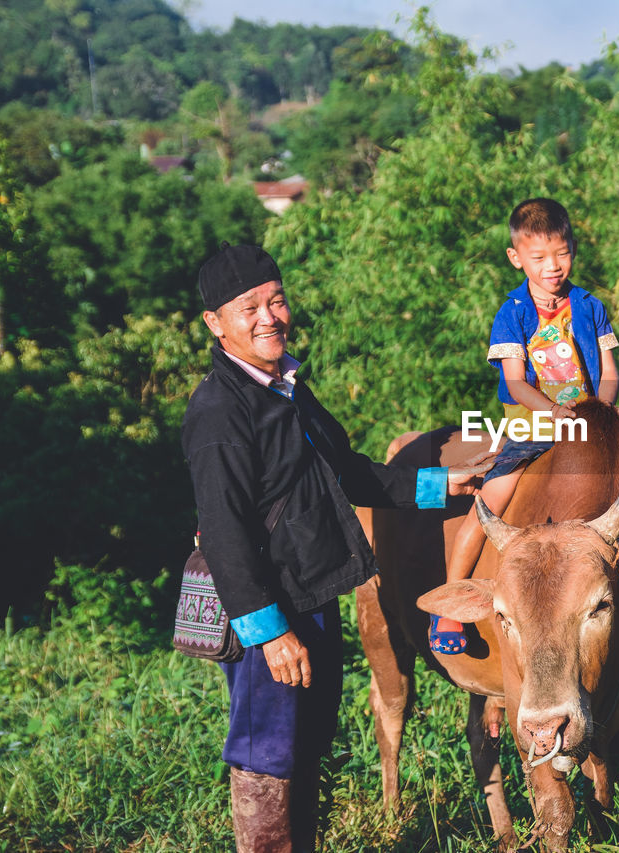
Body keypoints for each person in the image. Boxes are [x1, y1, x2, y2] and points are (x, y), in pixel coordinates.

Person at [181, 242, 492, 852]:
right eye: (249, 308)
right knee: (266, 752)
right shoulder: (220, 409)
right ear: (215, 325)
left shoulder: (288, 389)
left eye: (276, 300)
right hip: (269, 608)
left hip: (314, 590)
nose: (269, 317)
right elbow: (224, 530)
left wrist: (438, 482)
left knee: (305, 742)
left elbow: (349, 472)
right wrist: (270, 632)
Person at [428, 197, 619, 655]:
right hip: (532, 425)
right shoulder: (512, 313)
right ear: (517, 258)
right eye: (538, 258)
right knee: (489, 502)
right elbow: (515, 384)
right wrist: (551, 412)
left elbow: (609, 371)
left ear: (572, 248)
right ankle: (451, 605)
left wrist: (603, 408)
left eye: (562, 253)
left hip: (589, 430)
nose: (552, 266)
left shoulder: (589, 306)